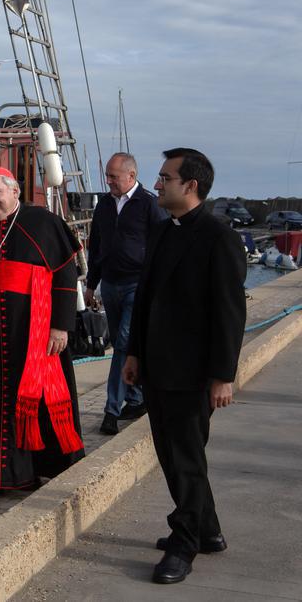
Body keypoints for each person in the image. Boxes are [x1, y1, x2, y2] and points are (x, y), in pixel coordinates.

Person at [122, 148, 245, 585]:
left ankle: (184, 542)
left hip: (194, 373)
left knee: (185, 459)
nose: (156, 184)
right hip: (156, 365)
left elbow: (230, 312)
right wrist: (134, 353)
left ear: (189, 185)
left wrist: (223, 376)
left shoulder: (218, 236)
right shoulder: (163, 231)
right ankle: (207, 530)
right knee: (173, 457)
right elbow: (146, 300)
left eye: (164, 177)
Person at [0, 167, 85, 499]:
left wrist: (60, 325)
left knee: (35, 404)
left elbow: (66, 277)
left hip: (33, 336)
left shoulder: (44, 223)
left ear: (15, 191)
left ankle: (39, 469)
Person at [84, 152, 167, 436]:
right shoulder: (104, 205)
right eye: (107, 176)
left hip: (137, 284)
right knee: (126, 344)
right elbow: (95, 246)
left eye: (113, 176)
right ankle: (137, 397)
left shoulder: (149, 205)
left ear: (131, 176)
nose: (108, 181)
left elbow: (161, 246)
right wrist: (90, 283)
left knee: (120, 344)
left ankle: (112, 410)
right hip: (110, 283)